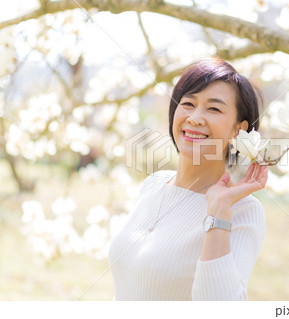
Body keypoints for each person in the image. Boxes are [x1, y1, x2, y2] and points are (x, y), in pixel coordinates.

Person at [108, 56, 269, 300]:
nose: (194, 118)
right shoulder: (154, 183)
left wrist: (219, 212)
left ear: (240, 129)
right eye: (188, 104)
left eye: (214, 108)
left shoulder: (242, 211)